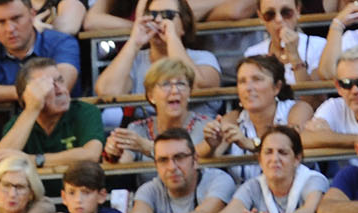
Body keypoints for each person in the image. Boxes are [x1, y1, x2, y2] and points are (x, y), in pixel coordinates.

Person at [119, 127, 234, 213]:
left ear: (195, 160)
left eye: (179, 157)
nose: (172, 167)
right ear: (156, 166)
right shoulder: (150, 189)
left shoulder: (219, 180)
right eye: (163, 160)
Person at [201, 55, 309, 184]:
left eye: (257, 79)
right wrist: (211, 145)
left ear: (277, 87)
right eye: (242, 81)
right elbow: (199, 155)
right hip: (244, 199)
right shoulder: (233, 118)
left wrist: (254, 144)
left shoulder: (297, 109)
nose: (248, 88)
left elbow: (295, 142)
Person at [213, 125, 326, 213]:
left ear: (297, 159)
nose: (275, 159)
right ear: (260, 160)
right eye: (268, 152)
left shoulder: (312, 180)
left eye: (282, 152)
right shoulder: (253, 186)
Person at [0, 57, 103, 170]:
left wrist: (34, 160)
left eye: (60, 80)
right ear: (28, 95)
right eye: (48, 85)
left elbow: (91, 155)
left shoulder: (85, 112)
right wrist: (32, 109)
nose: (60, 90)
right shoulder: (18, 124)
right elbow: (1, 161)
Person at [91, 0, 221, 98]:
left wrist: (172, 39)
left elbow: (197, 87)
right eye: (152, 15)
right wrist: (134, 42)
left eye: (168, 15)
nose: (158, 20)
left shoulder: (203, 57)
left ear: (184, 25)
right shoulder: (136, 60)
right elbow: (106, 91)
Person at [0, 0, 79, 105]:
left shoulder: (61, 42)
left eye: (16, 18)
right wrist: (24, 92)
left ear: (32, 15)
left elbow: (61, 86)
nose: (10, 29)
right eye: (1, 22)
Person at [103, 58, 213, 162]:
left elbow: (188, 160)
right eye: (166, 84)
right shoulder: (137, 129)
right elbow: (122, 164)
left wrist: (147, 146)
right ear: (151, 96)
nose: (175, 90)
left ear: (189, 92)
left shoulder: (206, 127)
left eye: (181, 84)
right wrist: (113, 153)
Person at [15, 158, 117, 213]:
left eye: (86, 192)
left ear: (101, 196)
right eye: (72, 193)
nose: (78, 200)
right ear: (64, 197)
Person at [240, 2, 329, 88]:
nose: (279, 19)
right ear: (260, 17)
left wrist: (295, 57)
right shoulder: (253, 53)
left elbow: (315, 100)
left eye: (286, 12)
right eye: (270, 14)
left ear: (298, 10)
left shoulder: (318, 46)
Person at [302, 51, 358, 152]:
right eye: (346, 83)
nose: (355, 90)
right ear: (339, 87)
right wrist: (354, 140)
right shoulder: (335, 106)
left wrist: (329, 136)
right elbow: (305, 138)